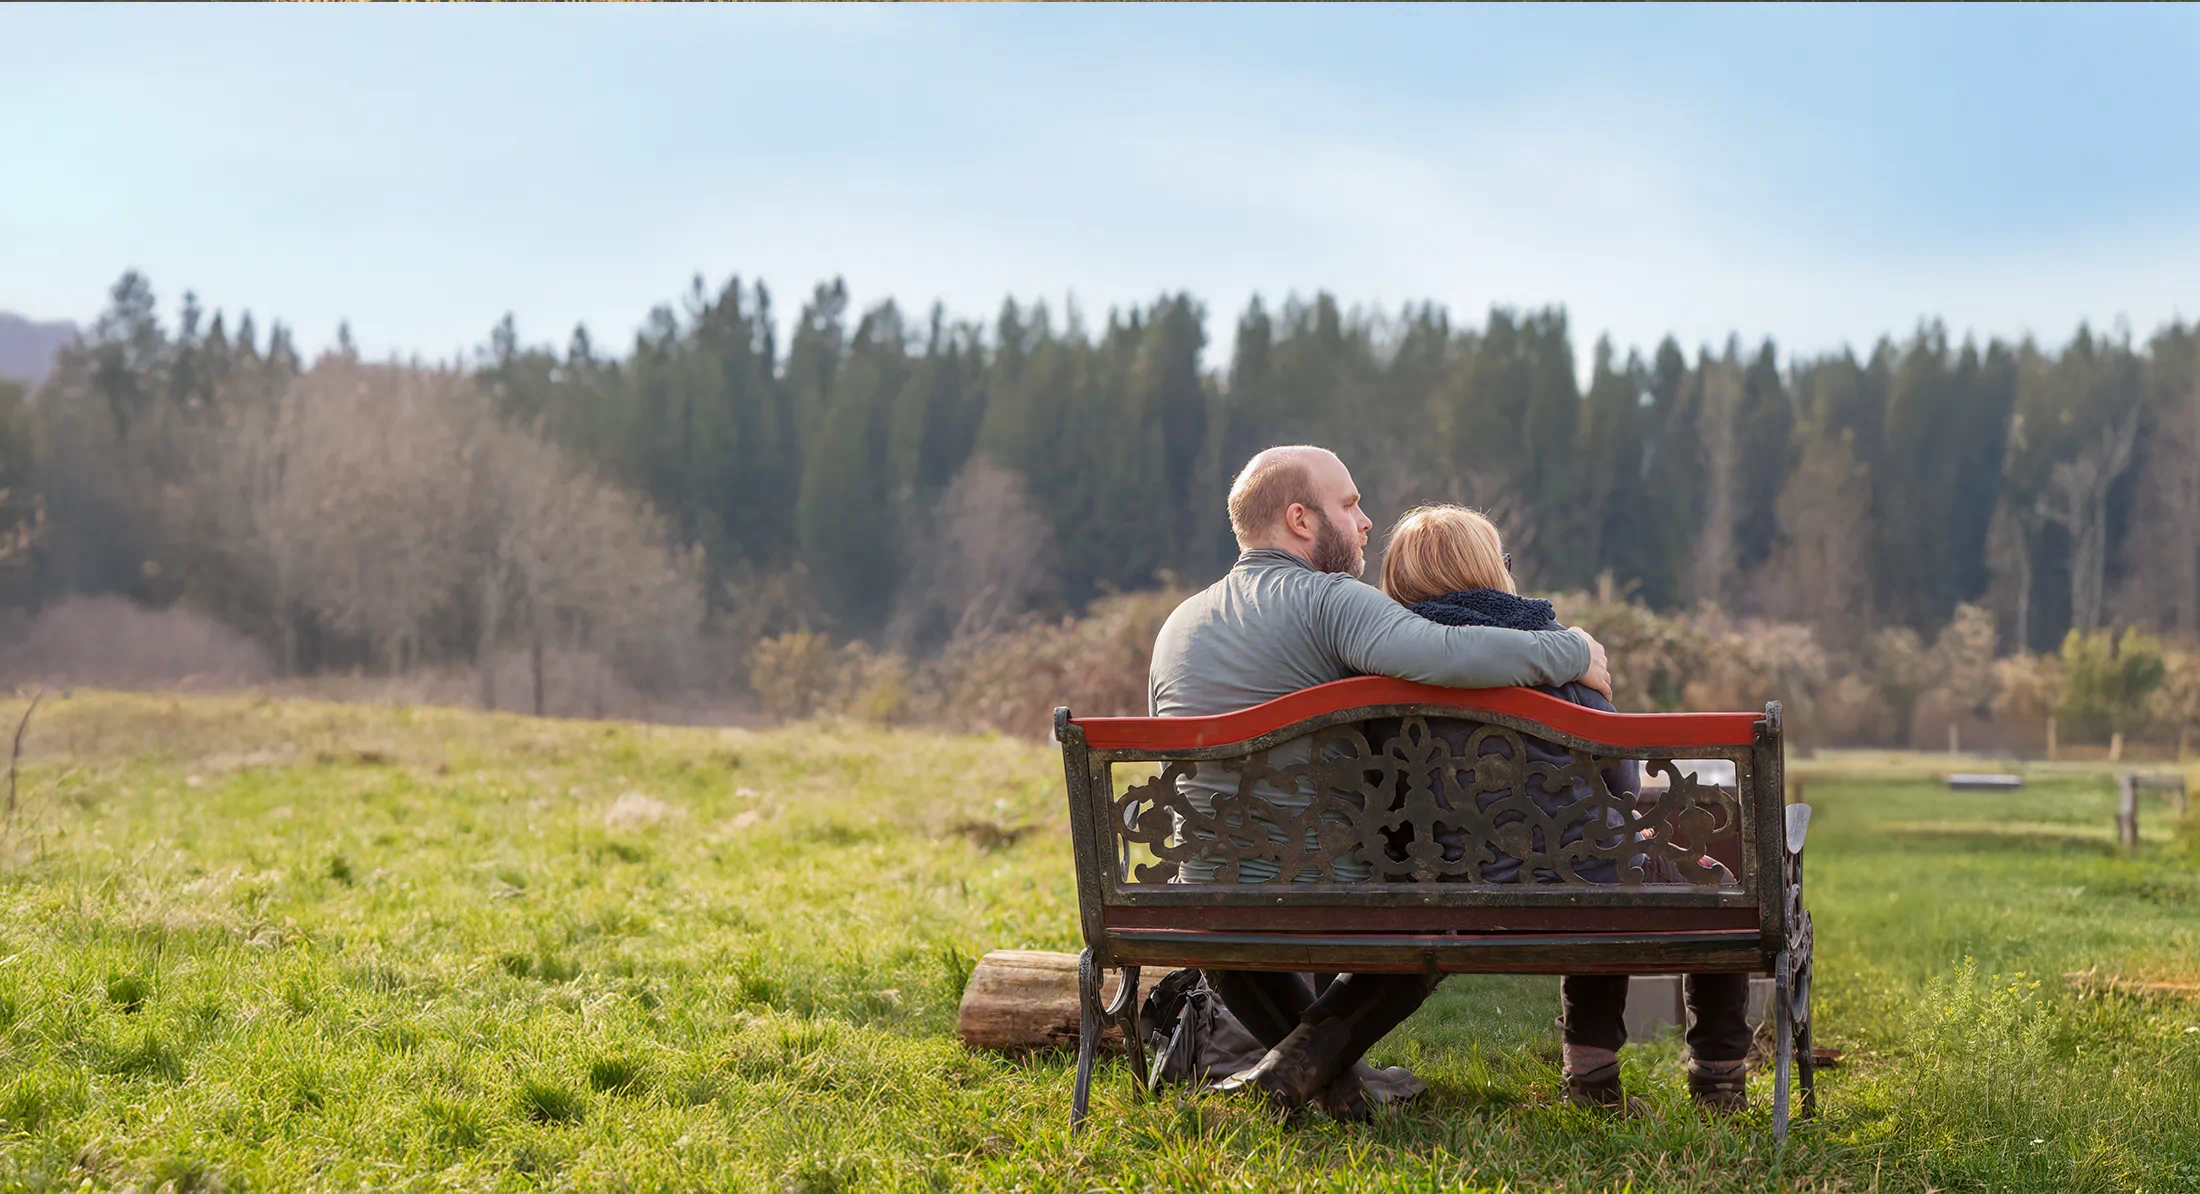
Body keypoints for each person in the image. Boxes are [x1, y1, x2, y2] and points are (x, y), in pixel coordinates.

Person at [1147, 446, 1611, 1120]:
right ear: (1300, 520)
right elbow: (1449, 653)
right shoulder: (1329, 601)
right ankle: (1316, 1072)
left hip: (1204, 890)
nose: (1366, 522)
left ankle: (1316, 1079)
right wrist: (1572, 651)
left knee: (1234, 933)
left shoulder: (1178, 625)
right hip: (1318, 879)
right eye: (1350, 504)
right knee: (1432, 910)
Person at [1376, 504, 1751, 1113]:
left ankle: (1594, 1082)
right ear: (1489, 572)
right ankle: (1715, 1081)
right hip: (1582, 880)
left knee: (1593, 864)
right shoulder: (1558, 662)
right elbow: (1623, 786)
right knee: (1698, 883)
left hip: (1450, 885)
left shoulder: (1382, 674)